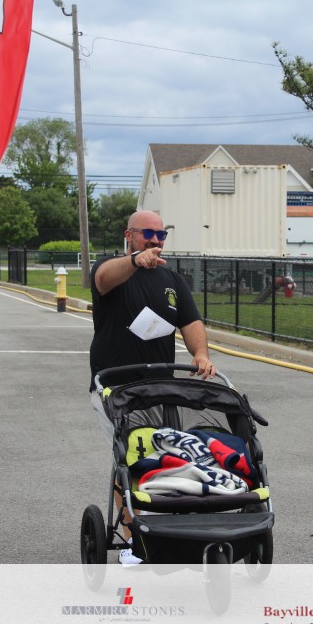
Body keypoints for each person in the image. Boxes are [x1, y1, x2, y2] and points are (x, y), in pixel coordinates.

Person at [88, 209, 217, 565]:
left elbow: (190, 321)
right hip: (115, 386)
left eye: (161, 235)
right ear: (129, 235)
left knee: (166, 457)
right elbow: (103, 278)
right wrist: (134, 261)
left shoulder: (171, 279)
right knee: (129, 456)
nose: (156, 241)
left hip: (160, 386)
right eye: (148, 234)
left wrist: (201, 354)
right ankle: (133, 541)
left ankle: (170, 530)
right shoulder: (111, 268)